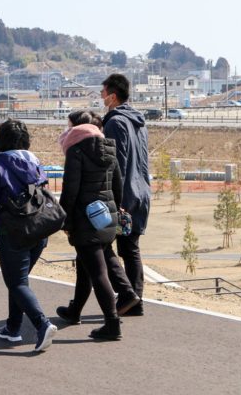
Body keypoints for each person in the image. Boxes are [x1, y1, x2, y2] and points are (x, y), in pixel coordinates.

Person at [55, 111, 140, 340]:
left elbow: (70, 190)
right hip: (105, 217)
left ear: (76, 128)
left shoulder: (76, 150)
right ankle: (75, 311)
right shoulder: (108, 147)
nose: (66, 129)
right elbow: (118, 186)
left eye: (69, 125)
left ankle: (112, 324)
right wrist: (114, 210)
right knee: (87, 266)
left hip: (85, 219)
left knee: (98, 272)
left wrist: (65, 220)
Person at [0, 119, 58, 352]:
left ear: (0, 140)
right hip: (38, 230)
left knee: (16, 282)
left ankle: (42, 324)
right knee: (19, 281)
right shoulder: (35, 162)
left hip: (12, 233)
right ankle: (13, 328)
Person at [101, 74, 152, 316]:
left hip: (124, 195)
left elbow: (115, 163)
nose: (101, 98)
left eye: (103, 93)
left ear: (112, 96)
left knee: (100, 246)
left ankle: (127, 296)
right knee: (130, 249)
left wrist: (113, 198)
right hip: (142, 191)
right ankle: (136, 301)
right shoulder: (139, 122)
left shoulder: (114, 123)